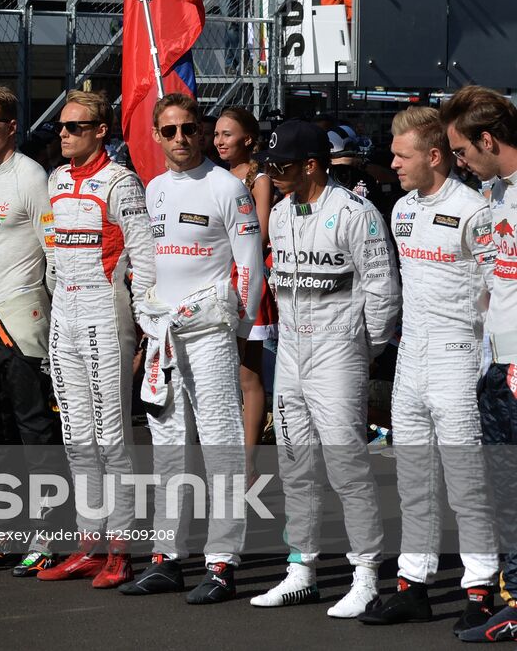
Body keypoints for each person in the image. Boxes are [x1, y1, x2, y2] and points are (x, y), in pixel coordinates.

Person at [250, 119, 398, 617]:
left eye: (283, 167)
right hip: (291, 351)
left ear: (312, 165)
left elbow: (382, 290)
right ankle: (301, 569)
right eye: (270, 166)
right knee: (294, 464)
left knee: (347, 466)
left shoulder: (357, 213)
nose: (275, 174)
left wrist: (365, 348)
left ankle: (366, 574)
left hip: (339, 351)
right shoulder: (281, 214)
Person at [357, 107, 498, 628]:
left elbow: (497, 295)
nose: (391, 162)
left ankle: (481, 589)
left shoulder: (474, 210)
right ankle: (413, 582)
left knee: (467, 480)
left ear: (434, 156)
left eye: (401, 154)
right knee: (413, 477)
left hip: (460, 359)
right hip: (411, 357)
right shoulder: (401, 211)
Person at [120, 94, 261, 603]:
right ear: (157, 136)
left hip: (210, 334)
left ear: (201, 132)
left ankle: (222, 562)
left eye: (188, 128)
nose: (180, 138)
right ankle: (166, 557)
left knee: (220, 444)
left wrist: (237, 329)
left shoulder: (228, 187)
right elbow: (145, 265)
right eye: (170, 130)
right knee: (167, 446)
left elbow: (250, 266)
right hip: (162, 337)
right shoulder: (153, 189)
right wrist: (145, 323)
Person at [37, 91, 155, 586]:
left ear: (100, 130)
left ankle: (123, 549)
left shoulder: (121, 183)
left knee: (112, 440)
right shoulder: (56, 179)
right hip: (63, 313)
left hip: (107, 317)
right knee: (76, 438)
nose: (62, 134)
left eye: (74, 127)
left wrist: (149, 329)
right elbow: (50, 248)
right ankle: (90, 542)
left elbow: (145, 258)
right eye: (61, 127)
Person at [0, 87, 58, 567]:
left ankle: (45, 536)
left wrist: (59, 319)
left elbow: (52, 249)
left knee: (34, 429)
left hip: (22, 317)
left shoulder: (32, 175)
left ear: (11, 127)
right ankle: (0, 533)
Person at [440, 86, 517, 640]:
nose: (458, 162)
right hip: (497, 361)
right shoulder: (497, 193)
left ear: (487, 139)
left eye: (462, 150)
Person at [213, 107, 275, 471]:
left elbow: (261, 235)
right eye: (217, 134)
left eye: (227, 134)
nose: (219, 141)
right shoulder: (213, 177)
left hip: (245, 279)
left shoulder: (260, 178)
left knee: (247, 374)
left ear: (248, 139)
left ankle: (248, 461)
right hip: (214, 278)